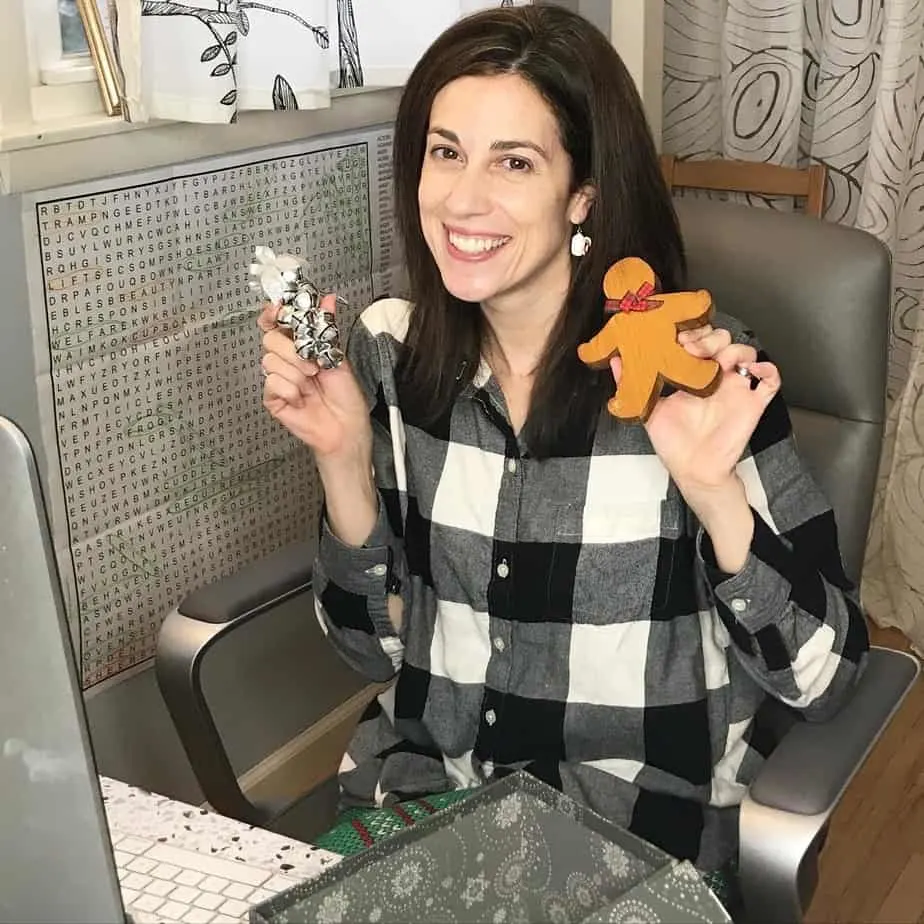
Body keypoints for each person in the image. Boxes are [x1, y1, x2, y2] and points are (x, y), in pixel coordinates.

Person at [257, 2, 869, 909]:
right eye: (445, 151)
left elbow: (823, 679)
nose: (464, 199)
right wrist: (343, 460)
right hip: (427, 808)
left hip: (627, 848)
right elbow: (366, 651)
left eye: (515, 161)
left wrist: (713, 494)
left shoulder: (697, 376)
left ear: (583, 193)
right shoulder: (394, 358)